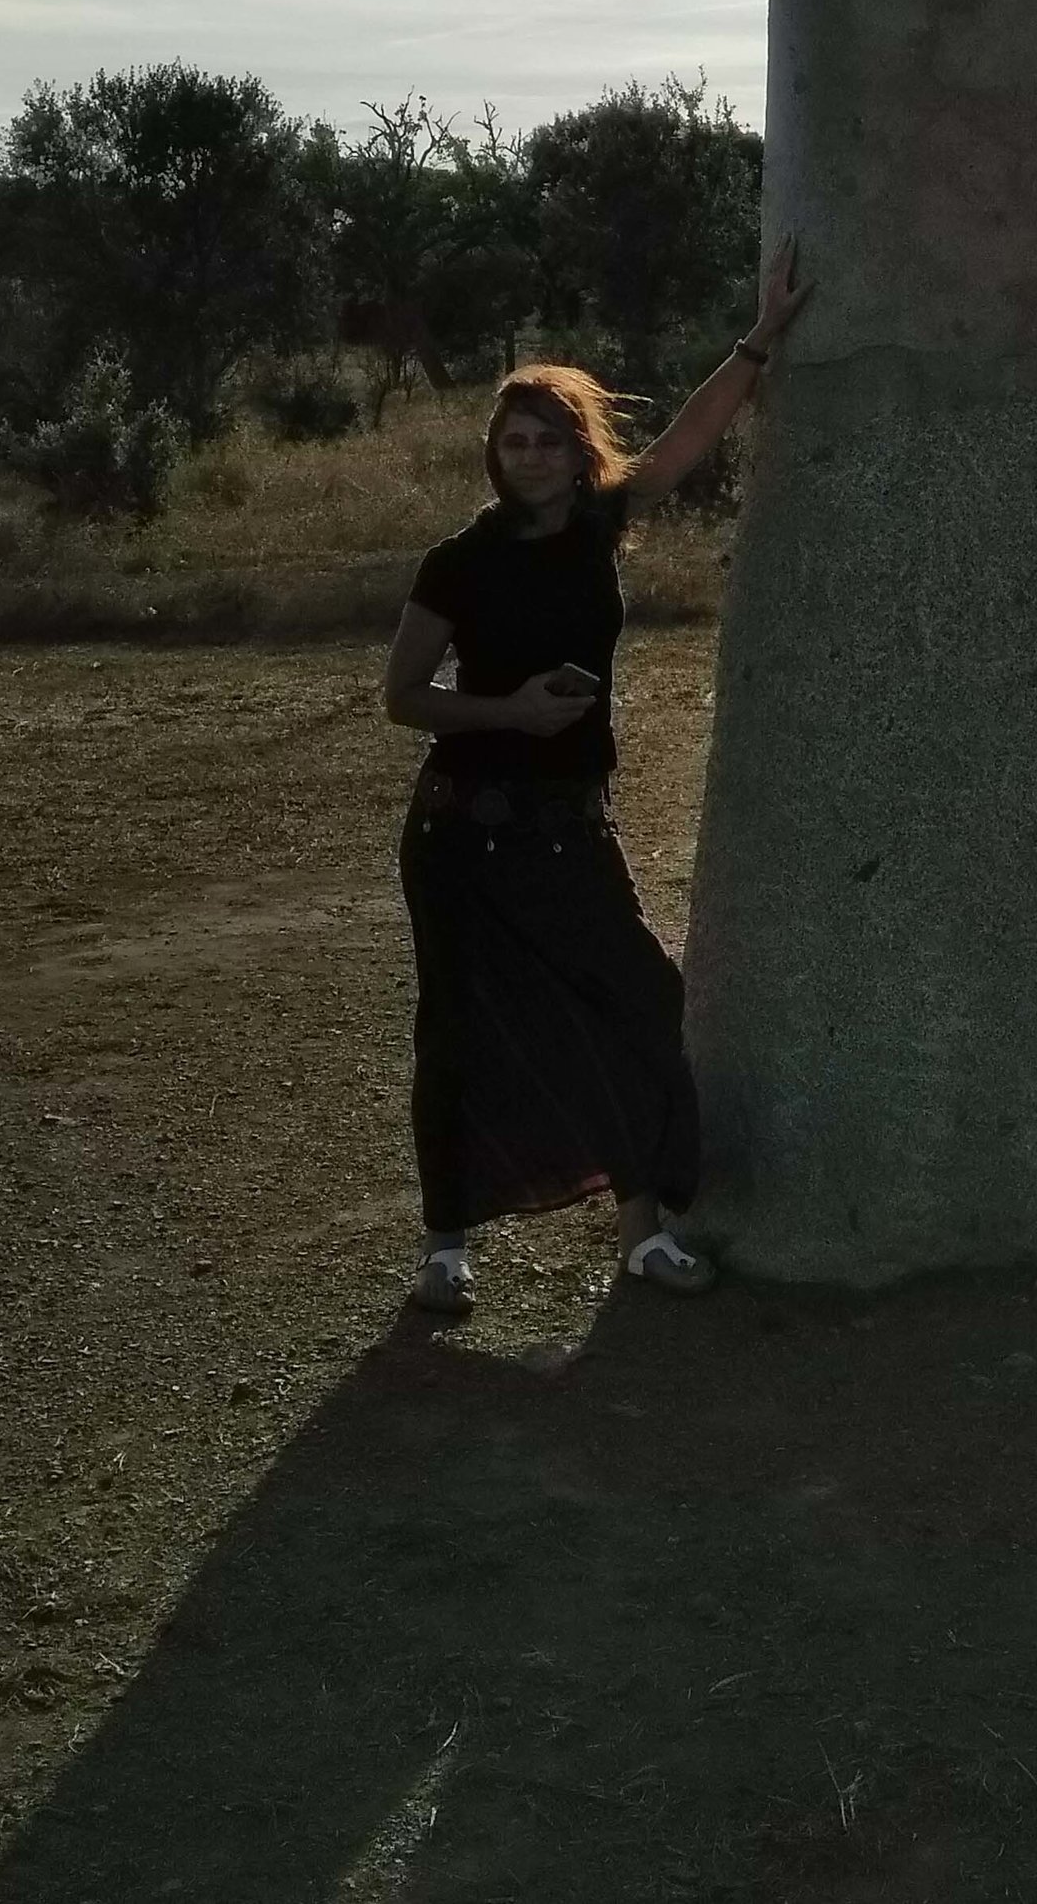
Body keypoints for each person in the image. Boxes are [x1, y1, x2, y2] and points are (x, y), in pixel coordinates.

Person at [380, 242, 808, 1313]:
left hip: (569, 827)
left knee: (638, 1006)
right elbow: (403, 696)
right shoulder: (458, 561)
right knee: (461, 1025)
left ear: (579, 453)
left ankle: (638, 1232)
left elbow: (686, 442)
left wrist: (759, 339)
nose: (525, 457)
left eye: (545, 440)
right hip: (462, 833)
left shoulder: (600, 527)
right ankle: (444, 1250)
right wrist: (510, 712)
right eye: (510, 441)